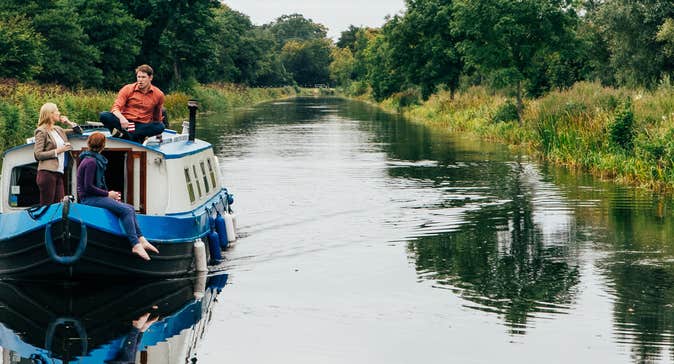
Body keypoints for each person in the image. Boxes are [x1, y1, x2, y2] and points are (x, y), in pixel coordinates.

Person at [77, 132, 159, 260]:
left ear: (89, 144)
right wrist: (108, 194)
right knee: (126, 210)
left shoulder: (90, 159)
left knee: (130, 208)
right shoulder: (91, 162)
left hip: (94, 197)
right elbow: (88, 187)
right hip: (89, 199)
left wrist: (109, 195)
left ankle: (141, 239)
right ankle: (135, 244)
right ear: (103, 145)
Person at [99, 64, 166, 143]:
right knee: (104, 115)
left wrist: (158, 133)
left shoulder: (158, 94)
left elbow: (157, 116)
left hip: (141, 126)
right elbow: (115, 108)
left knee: (160, 126)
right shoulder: (127, 89)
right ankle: (133, 136)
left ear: (150, 78)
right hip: (125, 123)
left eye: (143, 77)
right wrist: (122, 118)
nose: (140, 80)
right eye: (138, 77)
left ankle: (127, 136)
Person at [33, 102, 79, 205]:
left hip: (58, 173)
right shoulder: (41, 131)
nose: (59, 113)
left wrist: (68, 122)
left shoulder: (58, 129)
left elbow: (79, 132)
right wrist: (59, 150)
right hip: (47, 173)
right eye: (57, 110)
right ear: (50, 114)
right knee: (47, 207)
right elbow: (38, 155)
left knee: (59, 206)